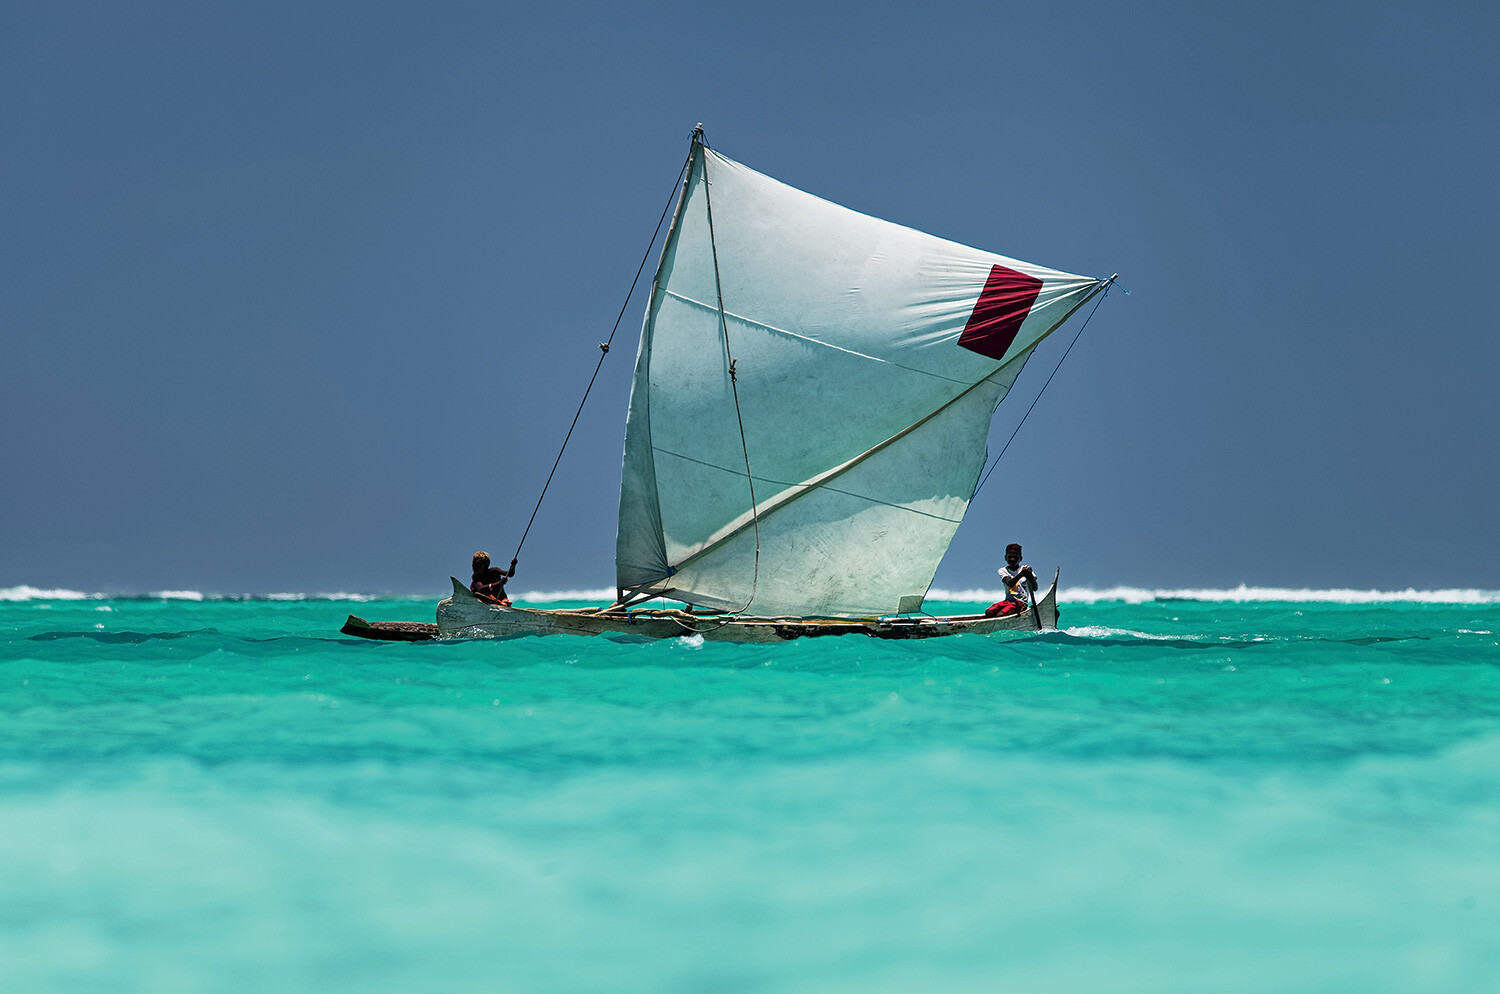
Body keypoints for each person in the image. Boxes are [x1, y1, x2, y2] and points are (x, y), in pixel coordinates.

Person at [984, 543, 1037, 618]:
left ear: (1021, 558)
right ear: (1005, 558)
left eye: (1015, 557)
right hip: (1008, 601)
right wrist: (1021, 574)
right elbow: (1009, 583)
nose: (1012, 559)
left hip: (1021, 603)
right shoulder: (1003, 570)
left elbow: (1035, 588)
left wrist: (1030, 576)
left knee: (1000, 615)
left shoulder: (1026, 569)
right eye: (1010, 557)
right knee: (989, 612)